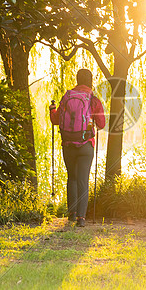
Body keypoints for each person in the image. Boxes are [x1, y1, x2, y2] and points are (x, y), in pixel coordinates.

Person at [50, 69, 106, 227]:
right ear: (90, 80)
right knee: (83, 180)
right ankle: (82, 218)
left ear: (77, 79)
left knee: (72, 178)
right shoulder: (93, 100)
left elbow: (55, 120)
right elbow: (101, 124)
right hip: (86, 146)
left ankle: (72, 215)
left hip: (68, 144)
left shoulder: (67, 97)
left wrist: (52, 109)